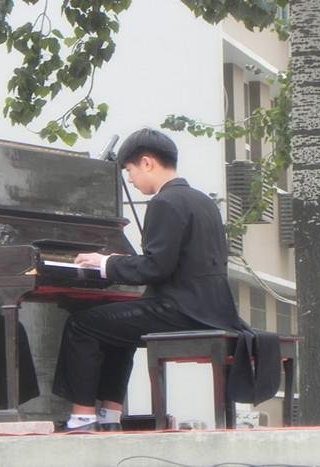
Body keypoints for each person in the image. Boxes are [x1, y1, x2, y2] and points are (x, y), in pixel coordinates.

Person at [52, 128, 253, 431]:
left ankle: (82, 418)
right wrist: (118, 264)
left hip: (181, 311)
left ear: (147, 163)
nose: (131, 180)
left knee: (82, 324)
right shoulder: (203, 202)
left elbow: (156, 267)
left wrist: (105, 262)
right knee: (117, 326)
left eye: (130, 171)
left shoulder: (164, 203)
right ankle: (109, 416)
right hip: (213, 309)